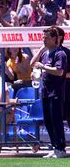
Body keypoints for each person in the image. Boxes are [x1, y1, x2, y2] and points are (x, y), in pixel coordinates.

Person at [30, 27, 67, 158]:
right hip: (45, 92)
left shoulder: (60, 54)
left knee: (56, 121)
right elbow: (32, 63)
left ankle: (61, 149)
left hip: (56, 92)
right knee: (48, 121)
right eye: (43, 37)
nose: (43, 40)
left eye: (46, 37)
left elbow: (59, 71)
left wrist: (43, 67)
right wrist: (40, 50)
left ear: (53, 39)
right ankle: (55, 147)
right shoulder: (45, 54)